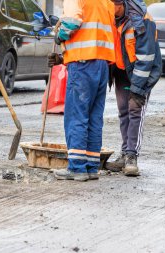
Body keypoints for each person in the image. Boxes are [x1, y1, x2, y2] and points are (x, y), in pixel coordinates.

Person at [48, 0, 116, 181]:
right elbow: (94, 36)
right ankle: (91, 166)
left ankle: (77, 168)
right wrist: (64, 58)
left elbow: (72, 23)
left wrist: (59, 36)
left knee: (77, 115)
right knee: (94, 117)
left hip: (83, 65)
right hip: (102, 65)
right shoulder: (105, 2)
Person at [104, 0, 162, 176]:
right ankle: (124, 153)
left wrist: (138, 89)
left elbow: (146, 58)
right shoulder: (109, 16)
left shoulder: (142, 20)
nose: (108, 9)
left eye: (110, 5)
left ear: (120, 4)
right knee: (123, 110)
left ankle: (132, 156)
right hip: (122, 71)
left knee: (135, 109)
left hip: (141, 72)